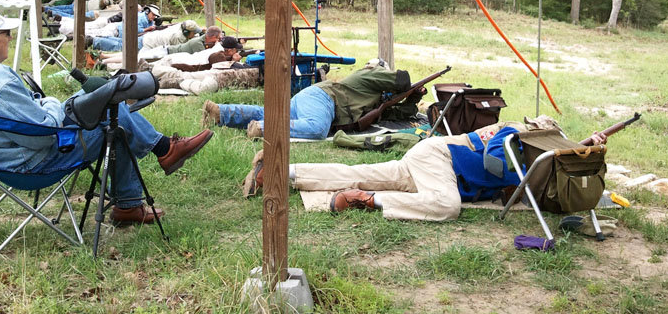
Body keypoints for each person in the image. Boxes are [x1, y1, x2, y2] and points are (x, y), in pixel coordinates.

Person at [0, 9, 213, 225]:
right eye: (7, 33)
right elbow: (42, 134)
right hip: (30, 162)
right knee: (113, 119)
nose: (11, 38)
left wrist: (46, 105)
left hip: (2, 153)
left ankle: (154, 165)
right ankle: (155, 164)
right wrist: (51, 103)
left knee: (102, 96)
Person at [242, 116, 608, 221]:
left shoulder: (532, 155)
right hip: (439, 158)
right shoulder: (512, 133)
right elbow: (495, 164)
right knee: (446, 206)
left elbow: (531, 178)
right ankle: (367, 200)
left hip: (434, 162)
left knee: (362, 171)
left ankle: (281, 172)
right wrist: (529, 161)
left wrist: (581, 150)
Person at [201, 58, 411, 140]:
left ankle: (222, 112)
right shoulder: (369, 74)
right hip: (324, 99)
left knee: (270, 113)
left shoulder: (372, 94)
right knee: (317, 128)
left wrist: (412, 99)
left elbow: (397, 114)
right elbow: (402, 79)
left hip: (313, 97)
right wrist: (411, 88)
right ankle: (264, 128)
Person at [90, 5, 162, 52]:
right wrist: (147, 29)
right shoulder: (141, 18)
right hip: (115, 30)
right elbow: (133, 29)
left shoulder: (149, 21)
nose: (154, 17)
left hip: (118, 31)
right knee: (93, 34)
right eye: (153, 14)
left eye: (156, 16)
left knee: (100, 37)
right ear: (147, 11)